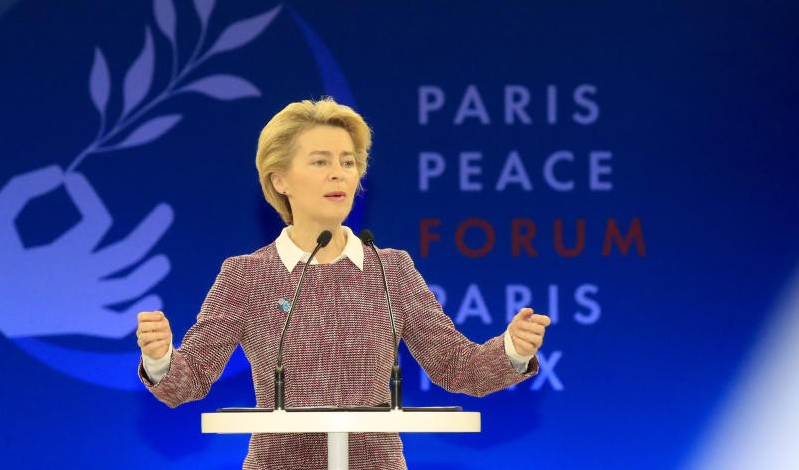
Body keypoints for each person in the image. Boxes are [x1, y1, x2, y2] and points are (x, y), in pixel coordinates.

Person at [136, 98, 551, 469]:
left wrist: (512, 348)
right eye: (320, 162)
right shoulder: (247, 275)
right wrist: (160, 360)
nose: (339, 174)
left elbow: (458, 368)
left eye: (348, 162)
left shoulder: (393, 270)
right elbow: (189, 380)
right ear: (280, 179)